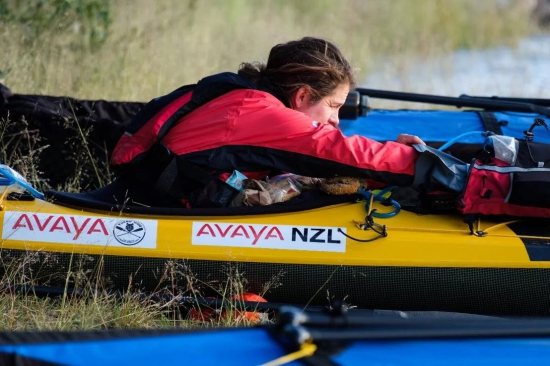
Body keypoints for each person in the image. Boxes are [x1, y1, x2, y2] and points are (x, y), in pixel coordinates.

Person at [110, 36, 425, 208]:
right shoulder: (261, 112)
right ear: (302, 96)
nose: (335, 120)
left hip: (155, 200)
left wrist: (376, 177)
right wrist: (423, 165)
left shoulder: (250, 98)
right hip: (156, 212)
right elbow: (332, 148)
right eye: (332, 106)